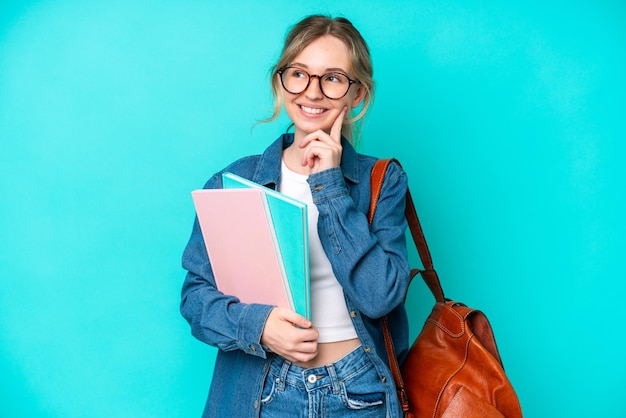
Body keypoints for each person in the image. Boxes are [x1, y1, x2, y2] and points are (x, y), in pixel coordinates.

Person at [181, 14, 411, 418]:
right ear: (280, 81)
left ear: (357, 94)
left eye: (333, 78)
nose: (313, 91)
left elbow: (380, 298)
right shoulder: (233, 181)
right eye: (299, 74)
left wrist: (330, 188)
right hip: (265, 389)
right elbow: (196, 299)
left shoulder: (382, 180)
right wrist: (260, 326)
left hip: (359, 392)